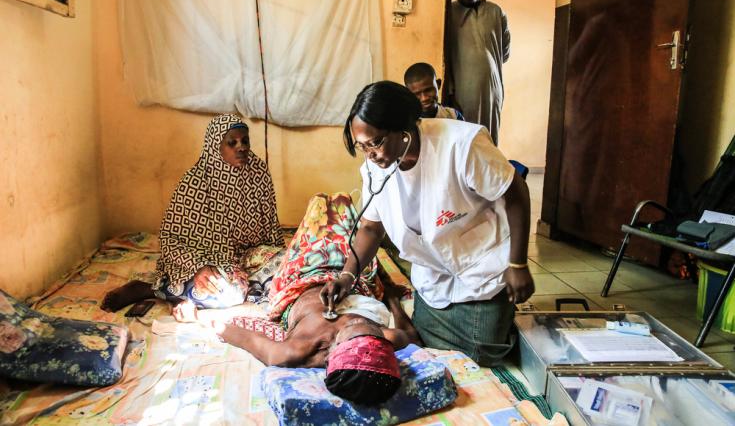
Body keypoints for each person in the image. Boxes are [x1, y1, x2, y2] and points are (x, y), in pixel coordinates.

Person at [323, 81, 534, 367]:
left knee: (483, 354)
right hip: (433, 276)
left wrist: (518, 264)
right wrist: (347, 276)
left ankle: (498, 314)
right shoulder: (376, 166)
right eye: (361, 146)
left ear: (402, 128)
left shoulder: (462, 144)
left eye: (374, 143)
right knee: (423, 342)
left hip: (480, 268)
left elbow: (516, 192)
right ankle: (408, 311)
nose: (370, 154)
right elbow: (372, 228)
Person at [203, 193, 420, 405]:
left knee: (320, 204)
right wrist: (391, 299)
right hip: (348, 278)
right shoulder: (380, 343)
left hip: (302, 276)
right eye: (367, 328)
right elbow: (412, 337)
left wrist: (201, 319)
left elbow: (235, 334)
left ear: (338, 347)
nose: (357, 320)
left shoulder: (295, 350)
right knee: (344, 207)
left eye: (356, 327)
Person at [101, 114, 284, 312]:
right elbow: (169, 240)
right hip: (206, 259)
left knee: (291, 264)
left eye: (245, 141)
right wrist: (198, 267)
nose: (241, 147)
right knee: (230, 294)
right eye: (232, 142)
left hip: (248, 256)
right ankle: (150, 290)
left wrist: (278, 258)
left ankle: (251, 284)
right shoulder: (194, 183)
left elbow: (271, 225)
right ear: (216, 146)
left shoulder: (258, 174)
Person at [447, 0, 510, 145]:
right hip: (462, 94)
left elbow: (504, 52)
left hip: (492, 90)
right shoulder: (449, 13)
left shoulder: (496, 12)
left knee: (489, 139)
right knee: (466, 140)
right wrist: (451, 93)